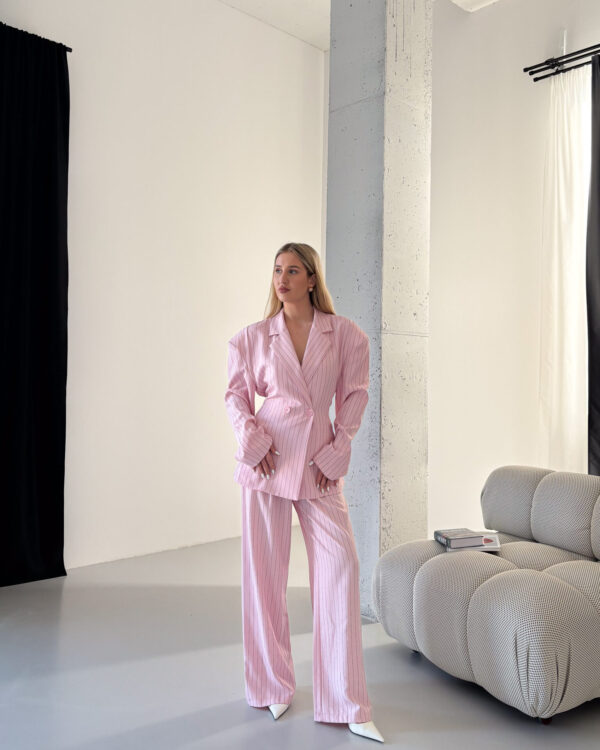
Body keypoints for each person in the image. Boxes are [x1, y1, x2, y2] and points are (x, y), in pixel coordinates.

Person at [224, 242, 384, 743]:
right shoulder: (253, 337)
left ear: (312, 279)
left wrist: (339, 448)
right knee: (264, 578)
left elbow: (355, 395)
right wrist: (251, 441)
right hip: (268, 462)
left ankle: (346, 700)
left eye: (293, 270)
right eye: (277, 270)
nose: (282, 278)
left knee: (341, 568)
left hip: (318, 466)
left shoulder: (345, 335)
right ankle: (271, 685)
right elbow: (235, 396)